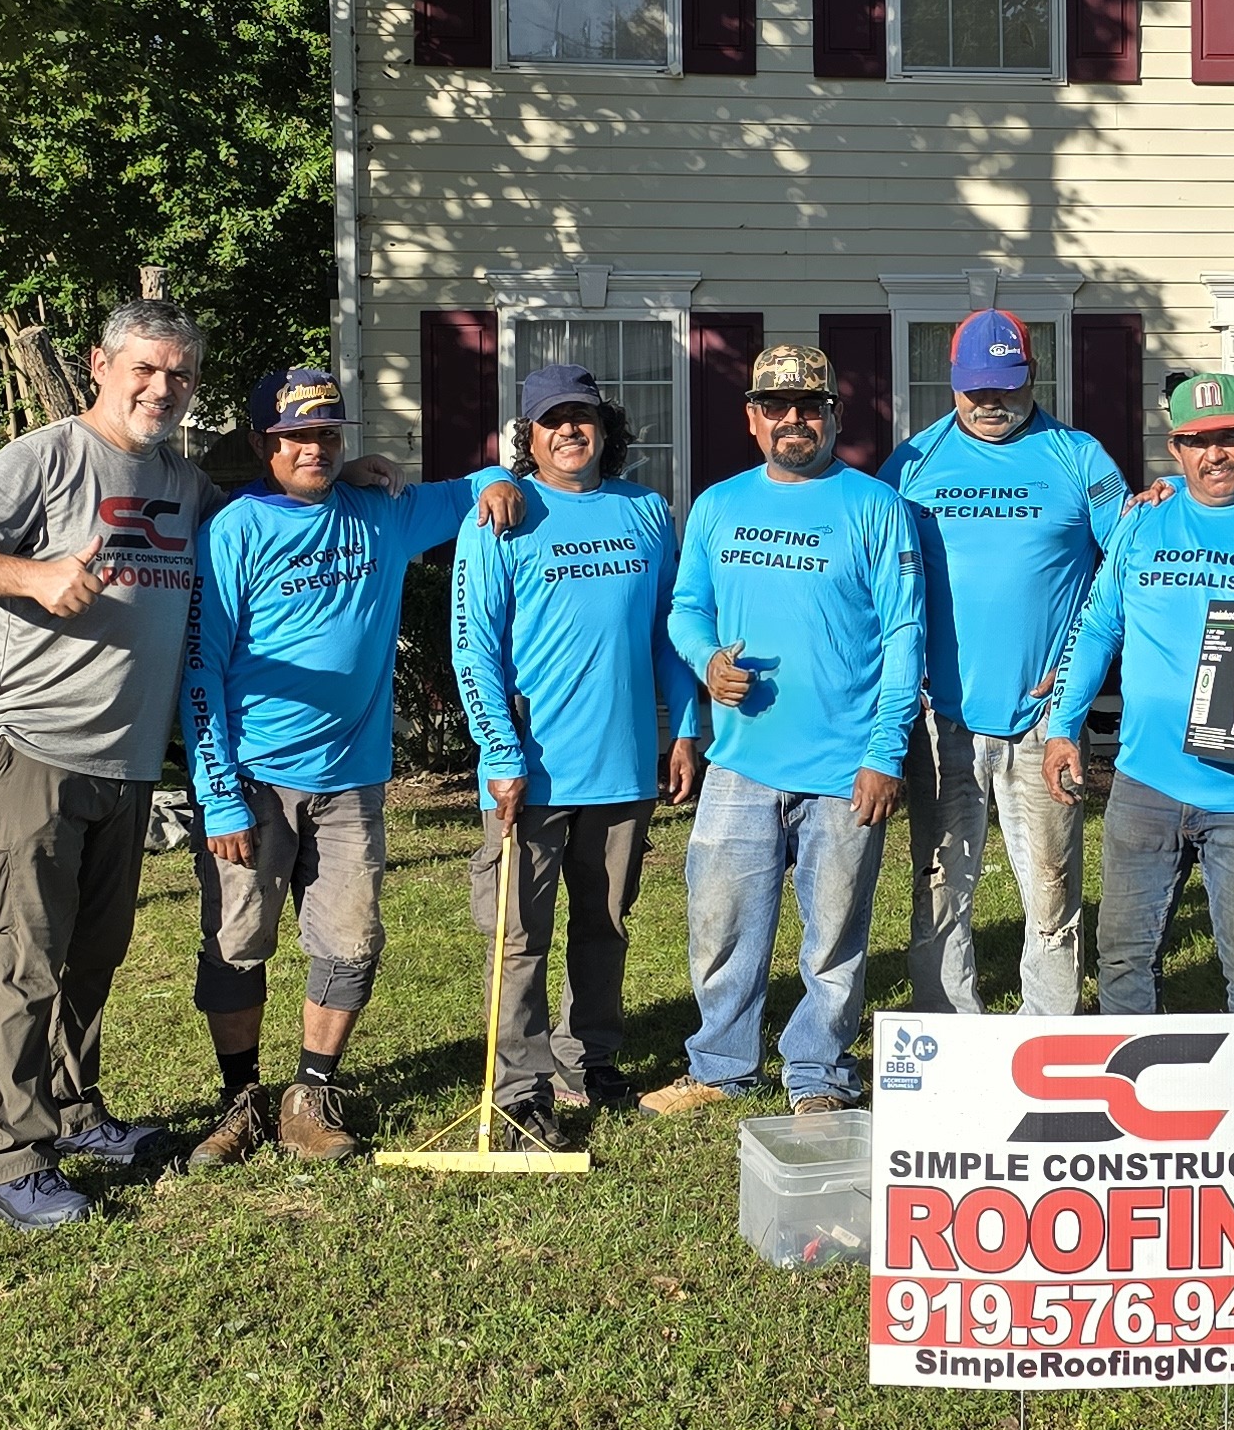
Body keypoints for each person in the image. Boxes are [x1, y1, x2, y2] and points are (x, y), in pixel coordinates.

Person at [0, 298, 229, 1229]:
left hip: (126, 764)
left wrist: (357, 476)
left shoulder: (182, 481)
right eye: (146, 368)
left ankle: (71, 1110)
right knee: (21, 963)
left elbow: (265, 519)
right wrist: (34, 575)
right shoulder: (43, 459)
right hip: (27, 753)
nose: (162, 388)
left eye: (179, 374)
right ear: (100, 364)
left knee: (93, 956)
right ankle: (12, 1163)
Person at [178, 368, 524, 1170]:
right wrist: (219, 795)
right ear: (264, 445)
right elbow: (201, 669)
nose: (315, 449)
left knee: (350, 940)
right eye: (297, 436)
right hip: (254, 781)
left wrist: (500, 480)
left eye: (328, 435)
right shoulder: (234, 532)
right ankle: (240, 1100)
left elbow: (471, 486)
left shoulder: (379, 513)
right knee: (236, 943)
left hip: (351, 781)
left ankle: (309, 1095)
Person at [648, 344, 925, 1115]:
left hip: (845, 766)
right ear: (752, 418)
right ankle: (720, 1067)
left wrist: (886, 750)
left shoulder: (875, 507)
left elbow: (905, 633)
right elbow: (687, 609)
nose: (793, 420)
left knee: (833, 939)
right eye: (776, 407)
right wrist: (707, 662)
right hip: (741, 761)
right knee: (720, 927)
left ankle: (820, 1075)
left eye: (810, 406)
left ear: (835, 415)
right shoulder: (719, 505)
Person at [447, 362, 707, 1143]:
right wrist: (500, 752)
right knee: (519, 938)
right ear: (528, 436)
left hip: (622, 767)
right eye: (552, 419)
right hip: (530, 771)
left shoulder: (646, 512)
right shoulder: (502, 517)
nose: (570, 430)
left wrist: (683, 728)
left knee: (606, 924)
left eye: (582, 417)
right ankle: (521, 1086)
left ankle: (587, 1057)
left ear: (604, 428)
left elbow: (668, 630)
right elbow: (473, 648)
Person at [1042, 372, 1234, 1014]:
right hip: (1146, 781)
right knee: (1122, 958)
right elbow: (1099, 627)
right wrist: (1063, 726)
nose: (1214, 455)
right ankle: (1133, 1078)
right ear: (1175, 449)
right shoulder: (1142, 523)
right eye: (1197, 441)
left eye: (1230, 438)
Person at [881, 308, 1127, 1017]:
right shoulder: (912, 463)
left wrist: (1077, 661)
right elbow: (878, 577)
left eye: (1007, 385)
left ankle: (1047, 1028)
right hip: (941, 715)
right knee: (938, 882)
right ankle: (944, 1025)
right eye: (976, 388)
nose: (991, 402)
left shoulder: (1080, 458)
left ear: (1033, 375)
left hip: (1046, 719)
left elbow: (1127, 567)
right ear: (953, 382)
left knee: (1052, 885)